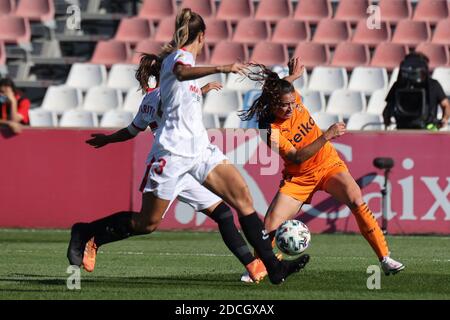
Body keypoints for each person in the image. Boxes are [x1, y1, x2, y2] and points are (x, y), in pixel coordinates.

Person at [67, 8, 310, 285]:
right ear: (203, 35)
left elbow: (183, 95)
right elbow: (181, 73)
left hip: (201, 152)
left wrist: (205, 90)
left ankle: (272, 268)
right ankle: (85, 231)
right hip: (173, 154)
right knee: (147, 223)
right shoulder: (179, 58)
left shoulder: (185, 73)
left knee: (243, 201)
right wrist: (222, 67)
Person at [77, 53, 267, 282]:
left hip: (188, 164)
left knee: (224, 214)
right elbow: (134, 129)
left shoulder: (179, 91)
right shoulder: (154, 97)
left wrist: (204, 90)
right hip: (168, 163)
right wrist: (108, 139)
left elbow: (181, 105)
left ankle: (252, 265)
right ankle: (94, 238)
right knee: (146, 224)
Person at [239, 61, 405, 282]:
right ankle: (257, 267)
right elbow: (296, 157)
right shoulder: (268, 130)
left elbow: (283, 88)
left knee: (356, 199)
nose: (290, 108)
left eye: (292, 103)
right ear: (273, 104)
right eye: (285, 106)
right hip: (299, 178)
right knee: (270, 225)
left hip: (328, 165)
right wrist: (326, 135)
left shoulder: (290, 97)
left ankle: (385, 259)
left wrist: (292, 77)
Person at [383, 52, 450, 130]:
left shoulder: (433, 85)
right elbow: (387, 109)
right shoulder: (398, 85)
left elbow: (446, 105)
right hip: (403, 129)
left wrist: (444, 119)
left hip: (427, 129)